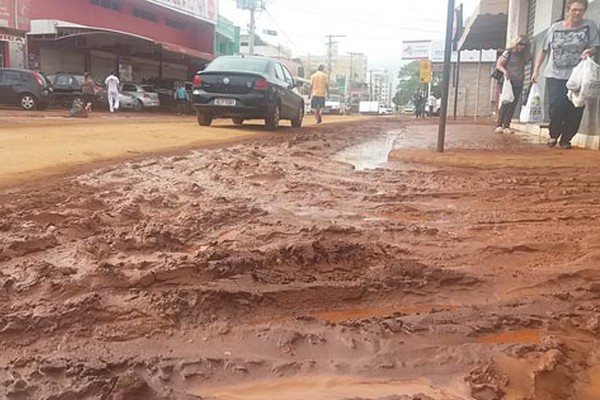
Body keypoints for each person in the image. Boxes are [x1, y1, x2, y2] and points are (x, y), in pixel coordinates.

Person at [532, 0, 600, 149]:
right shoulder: (555, 28)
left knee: (576, 107)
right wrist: (536, 69)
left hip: (579, 75)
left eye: (580, 10)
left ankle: (566, 139)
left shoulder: (590, 26)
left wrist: (589, 51)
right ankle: (554, 134)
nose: (577, 13)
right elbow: (544, 49)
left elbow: (595, 45)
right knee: (556, 105)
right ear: (568, 10)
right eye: (574, 10)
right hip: (555, 74)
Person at [494, 35, 532, 134]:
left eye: (524, 45)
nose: (522, 47)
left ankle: (507, 125)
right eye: (520, 44)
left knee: (513, 104)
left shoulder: (525, 55)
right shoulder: (508, 53)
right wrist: (505, 71)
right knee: (506, 102)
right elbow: (499, 64)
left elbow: (529, 61)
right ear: (516, 43)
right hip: (508, 81)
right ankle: (499, 125)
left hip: (519, 81)